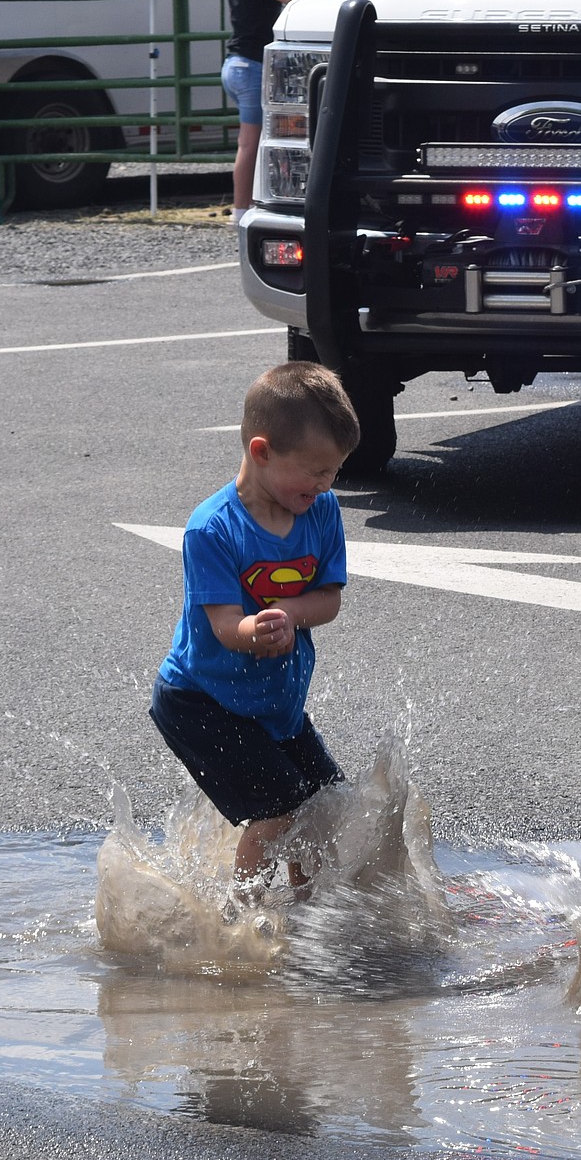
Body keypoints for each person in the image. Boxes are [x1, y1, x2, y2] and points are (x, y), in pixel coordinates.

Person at [150, 362, 360, 902]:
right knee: (278, 809)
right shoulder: (212, 529)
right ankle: (239, 920)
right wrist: (256, 628)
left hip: (271, 701)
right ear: (261, 451)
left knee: (324, 806)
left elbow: (328, 600)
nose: (324, 484)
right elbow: (223, 626)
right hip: (201, 700)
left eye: (332, 472)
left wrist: (288, 613)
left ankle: (307, 914)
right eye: (313, 471)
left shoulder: (320, 511)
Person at [221, 0, 292, 224]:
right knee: (250, 144)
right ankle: (240, 212)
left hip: (233, 65)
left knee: (258, 141)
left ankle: (250, 204)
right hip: (253, 67)